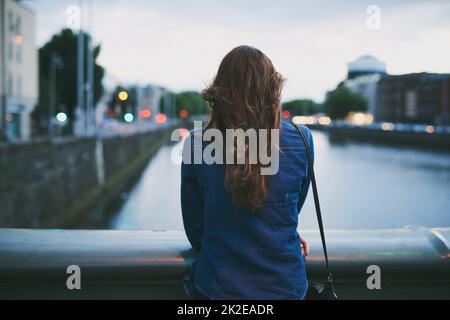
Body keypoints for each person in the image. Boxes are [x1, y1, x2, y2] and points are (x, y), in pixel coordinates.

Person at [181, 45, 314, 300]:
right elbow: (290, 207)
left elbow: (196, 230)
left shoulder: (197, 144)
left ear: (219, 91)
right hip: (286, 287)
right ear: (273, 89)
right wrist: (278, 237)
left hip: (220, 289)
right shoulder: (302, 138)